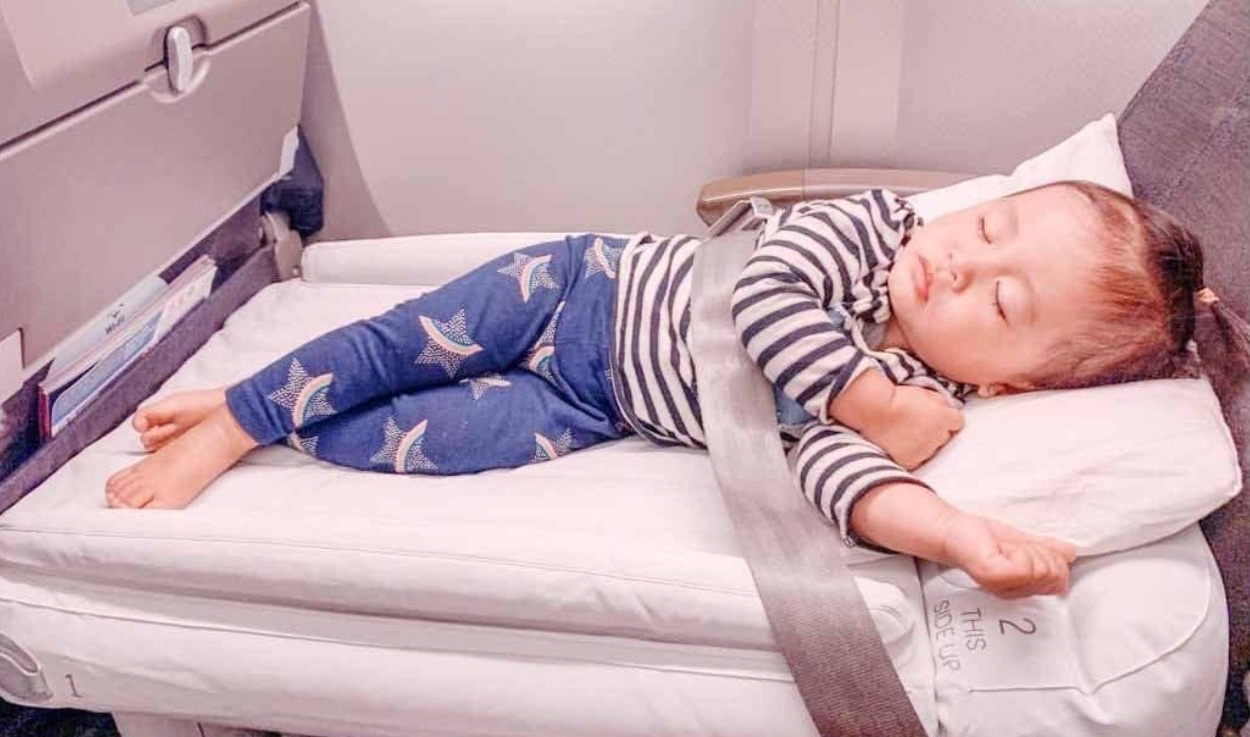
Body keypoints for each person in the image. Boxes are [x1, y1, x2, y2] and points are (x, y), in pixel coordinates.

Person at [102, 182, 1250, 599]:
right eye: (986, 225)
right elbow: (764, 304)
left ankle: (274, 426)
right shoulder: (863, 231)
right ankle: (241, 412)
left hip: (594, 402)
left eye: (999, 301)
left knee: (433, 437)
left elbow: (832, 477)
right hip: (573, 291)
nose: (961, 261)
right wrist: (862, 390)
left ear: (1005, 377)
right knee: (401, 344)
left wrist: (952, 532)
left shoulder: (913, 396)